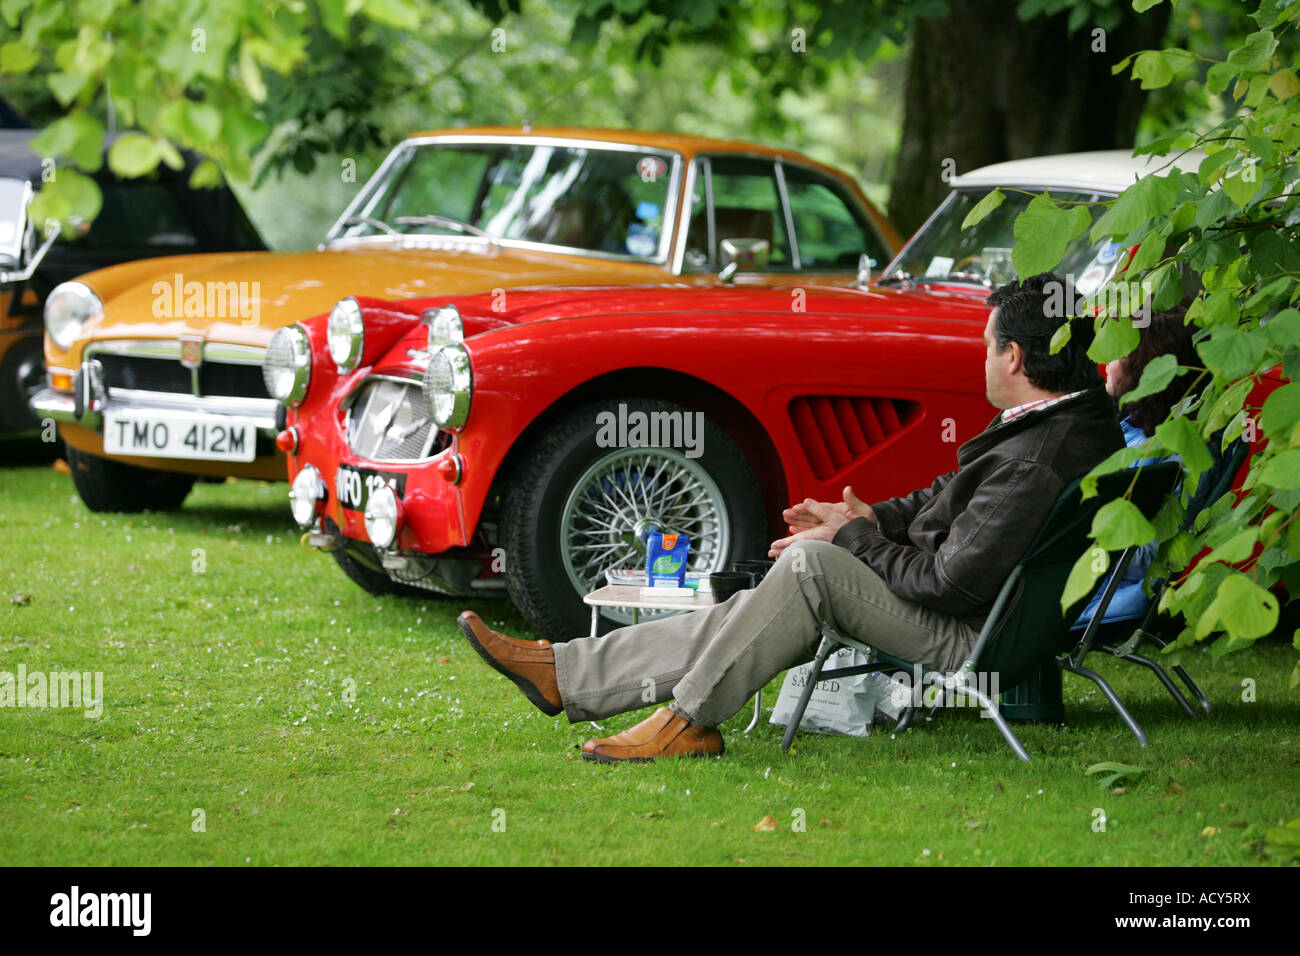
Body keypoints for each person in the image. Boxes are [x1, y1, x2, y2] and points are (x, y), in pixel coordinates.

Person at [457, 273, 1126, 762]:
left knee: (807, 565)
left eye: (987, 346)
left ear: (1013, 357)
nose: (983, 358)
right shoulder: (1064, 423)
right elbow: (947, 498)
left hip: (971, 640)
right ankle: (569, 673)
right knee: (767, 601)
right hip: (986, 618)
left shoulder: (1038, 456)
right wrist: (861, 515)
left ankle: (687, 718)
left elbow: (950, 586)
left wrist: (851, 539)